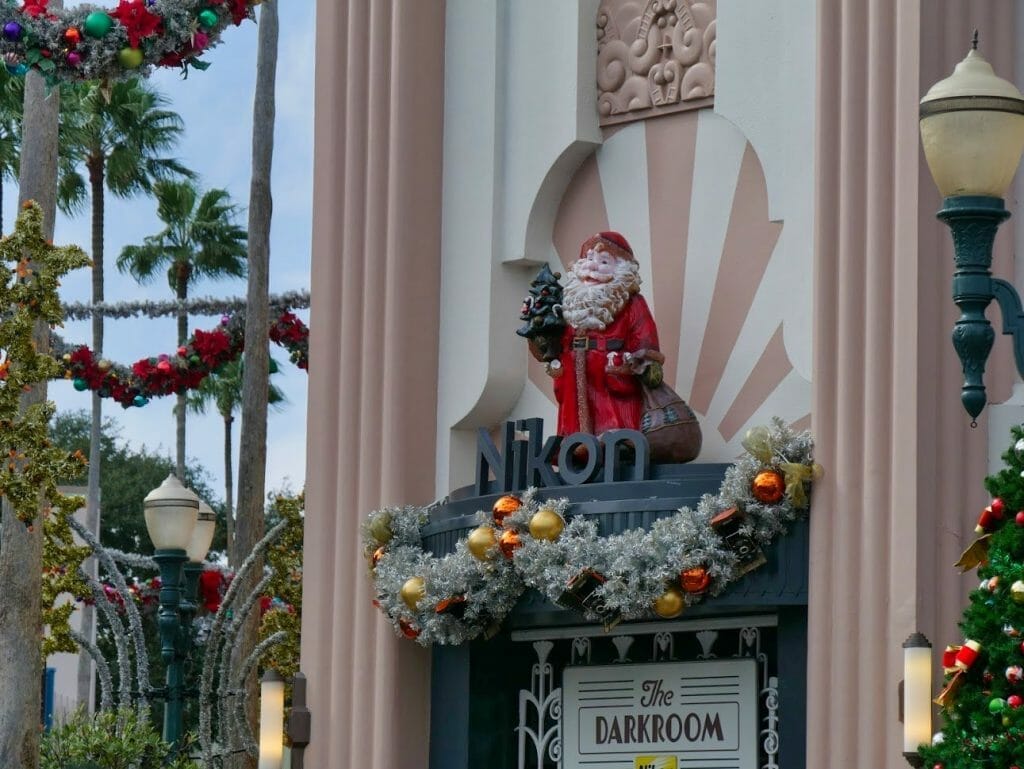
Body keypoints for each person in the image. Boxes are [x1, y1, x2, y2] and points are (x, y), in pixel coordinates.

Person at [548, 231, 663, 436]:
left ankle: (619, 446)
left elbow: (645, 341)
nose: (592, 266)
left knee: (615, 424)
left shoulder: (632, 303)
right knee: (572, 425)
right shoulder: (569, 302)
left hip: (612, 378)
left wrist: (631, 362)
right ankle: (574, 450)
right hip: (572, 376)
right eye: (589, 258)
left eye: (603, 261)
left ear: (622, 269)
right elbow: (553, 339)